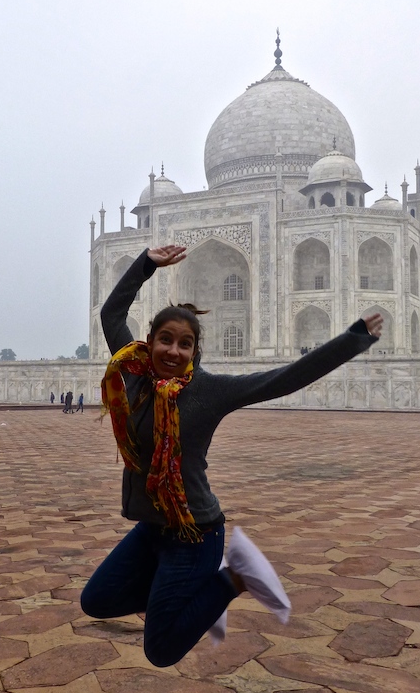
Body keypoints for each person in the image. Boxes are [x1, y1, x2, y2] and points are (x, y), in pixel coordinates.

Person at [80, 244, 381, 669]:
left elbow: (284, 379)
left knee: (160, 650)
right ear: (149, 342)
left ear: (195, 352)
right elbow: (112, 314)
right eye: (165, 340)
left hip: (194, 533)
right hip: (152, 527)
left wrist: (353, 339)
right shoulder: (134, 376)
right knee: (97, 600)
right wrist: (145, 263)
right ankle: (195, 597)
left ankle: (234, 576)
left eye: (185, 344)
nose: (173, 351)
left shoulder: (207, 392)